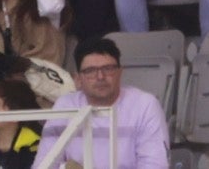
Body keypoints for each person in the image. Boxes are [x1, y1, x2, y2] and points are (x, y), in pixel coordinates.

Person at [34, 40, 168, 169]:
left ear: (120, 72)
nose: (100, 77)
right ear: (78, 79)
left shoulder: (144, 105)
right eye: (90, 71)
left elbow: (155, 165)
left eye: (108, 69)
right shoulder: (65, 105)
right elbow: (44, 163)